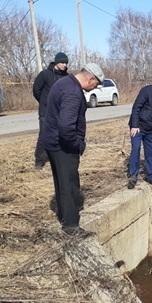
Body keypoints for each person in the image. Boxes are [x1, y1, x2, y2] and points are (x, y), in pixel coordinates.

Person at [41, 63, 104, 237]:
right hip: (63, 146)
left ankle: (63, 216)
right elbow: (66, 127)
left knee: (61, 182)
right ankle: (71, 227)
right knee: (69, 184)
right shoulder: (73, 93)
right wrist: (78, 145)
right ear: (90, 78)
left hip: (51, 143)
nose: (94, 88)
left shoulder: (63, 83)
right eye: (96, 84)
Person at [32, 52, 70, 169]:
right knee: (44, 134)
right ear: (56, 62)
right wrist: (45, 102)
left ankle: (57, 156)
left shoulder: (66, 77)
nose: (64, 65)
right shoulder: (45, 75)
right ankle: (39, 160)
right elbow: (36, 90)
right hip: (46, 112)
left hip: (60, 112)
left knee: (59, 134)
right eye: (62, 62)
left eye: (66, 63)